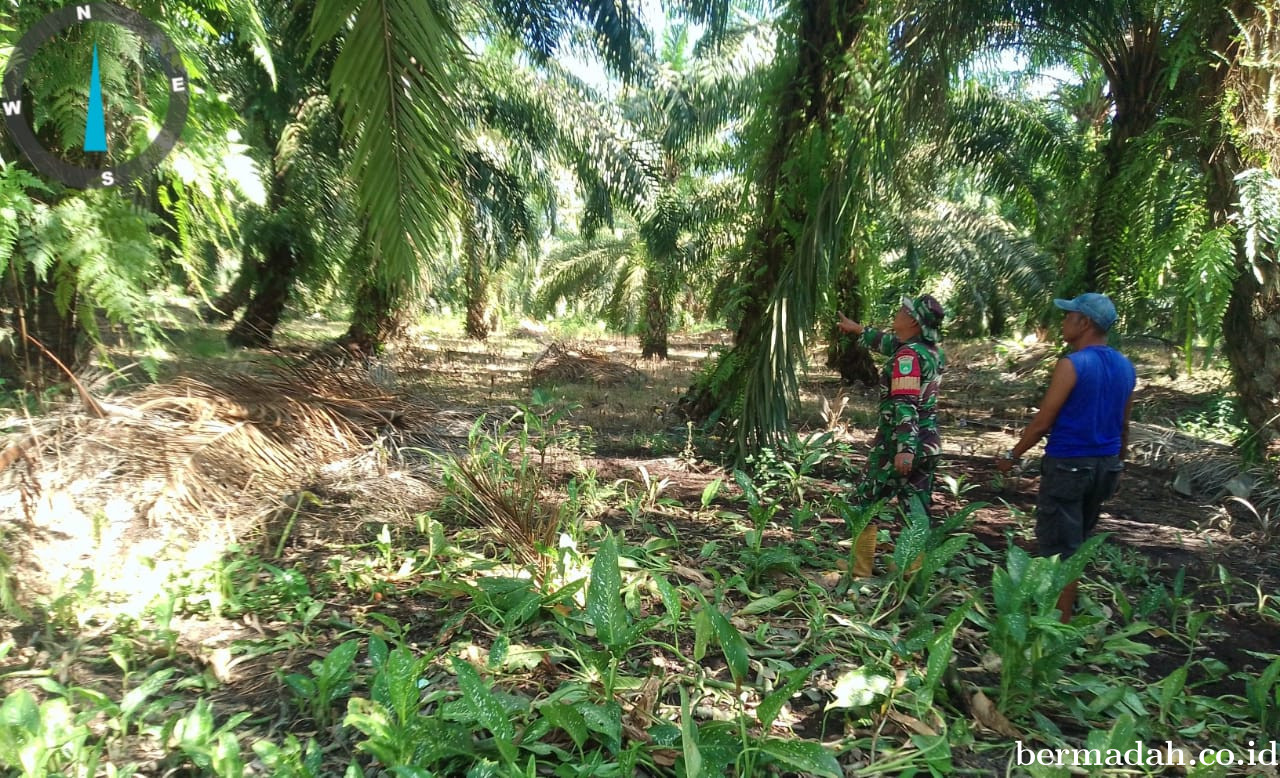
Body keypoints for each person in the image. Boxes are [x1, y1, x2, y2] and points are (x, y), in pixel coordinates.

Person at [996, 292, 1136, 622]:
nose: (1063, 321)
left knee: (1061, 546)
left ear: (1084, 322)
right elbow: (1124, 424)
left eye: (1068, 316)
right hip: (1105, 465)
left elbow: (1044, 421)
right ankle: (1062, 610)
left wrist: (1012, 455)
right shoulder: (1125, 366)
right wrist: (1121, 464)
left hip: (1069, 465)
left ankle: (1058, 622)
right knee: (1079, 539)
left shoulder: (1072, 365)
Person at [837, 295, 946, 577]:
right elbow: (890, 344)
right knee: (916, 507)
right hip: (929, 443)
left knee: (865, 500)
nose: (897, 313)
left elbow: (905, 404)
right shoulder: (930, 351)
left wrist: (904, 448)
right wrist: (858, 329)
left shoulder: (908, 357)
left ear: (912, 320)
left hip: (900, 443)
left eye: (902, 311)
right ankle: (910, 573)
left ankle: (859, 570)